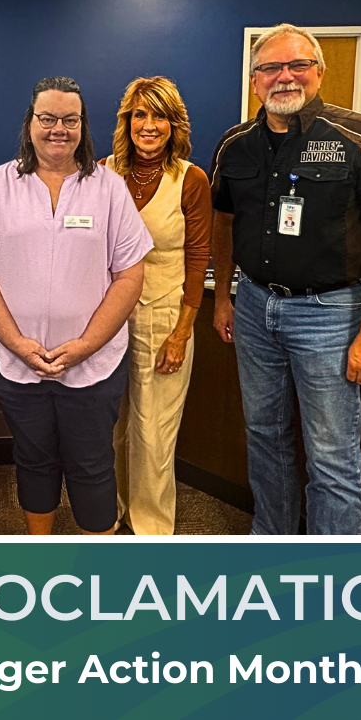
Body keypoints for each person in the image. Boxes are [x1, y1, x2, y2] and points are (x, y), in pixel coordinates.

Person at [210, 23, 361, 535]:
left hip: (330, 315)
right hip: (255, 307)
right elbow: (224, 224)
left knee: (331, 452)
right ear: (254, 80)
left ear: (319, 72)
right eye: (270, 68)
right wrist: (224, 298)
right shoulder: (235, 144)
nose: (283, 77)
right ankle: (274, 543)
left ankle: (331, 573)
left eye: (297, 66)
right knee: (265, 436)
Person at [0, 76, 154, 535]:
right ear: (30, 123)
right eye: (47, 118)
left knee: (91, 462)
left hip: (94, 363)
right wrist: (16, 343)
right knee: (33, 457)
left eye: (70, 119)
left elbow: (130, 276)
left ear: (83, 126)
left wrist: (86, 344)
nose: (58, 129)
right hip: (14, 359)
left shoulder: (108, 188)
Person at [102, 76, 212, 535]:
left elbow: (198, 257)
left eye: (159, 116)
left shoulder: (190, 179)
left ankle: (150, 530)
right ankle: (111, 513)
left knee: (153, 431)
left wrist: (182, 332)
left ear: (174, 124)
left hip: (164, 315)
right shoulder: (103, 172)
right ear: (127, 122)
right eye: (140, 115)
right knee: (111, 426)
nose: (149, 126)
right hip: (106, 318)